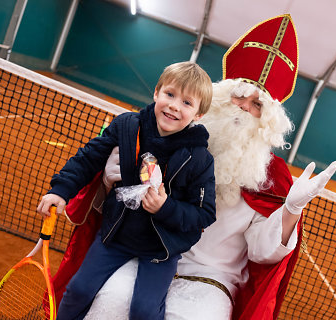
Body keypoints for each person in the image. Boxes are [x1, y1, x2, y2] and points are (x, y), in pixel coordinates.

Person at [51, 14, 336, 320]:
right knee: (108, 302)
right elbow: (109, 189)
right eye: (240, 96)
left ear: (266, 121)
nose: (244, 107)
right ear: (216, 100)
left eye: (257, 105)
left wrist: (291, 210)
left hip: (210, 279)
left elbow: (261, 252)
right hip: (146, 251)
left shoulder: (268, 178)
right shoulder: (165, 136)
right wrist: (111, 177)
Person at [37, 61, 216, 320]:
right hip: (115, 237)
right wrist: (61, 190)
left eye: (187, 103)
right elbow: (88, 158)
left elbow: (203, 214)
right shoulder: (127, 126)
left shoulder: (200, 159)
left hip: (161, 251)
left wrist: (165, 208)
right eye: (170, 94)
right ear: (156, 93)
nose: (175, 106)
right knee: (77, 290)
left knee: (143, 311)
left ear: (199, 115)